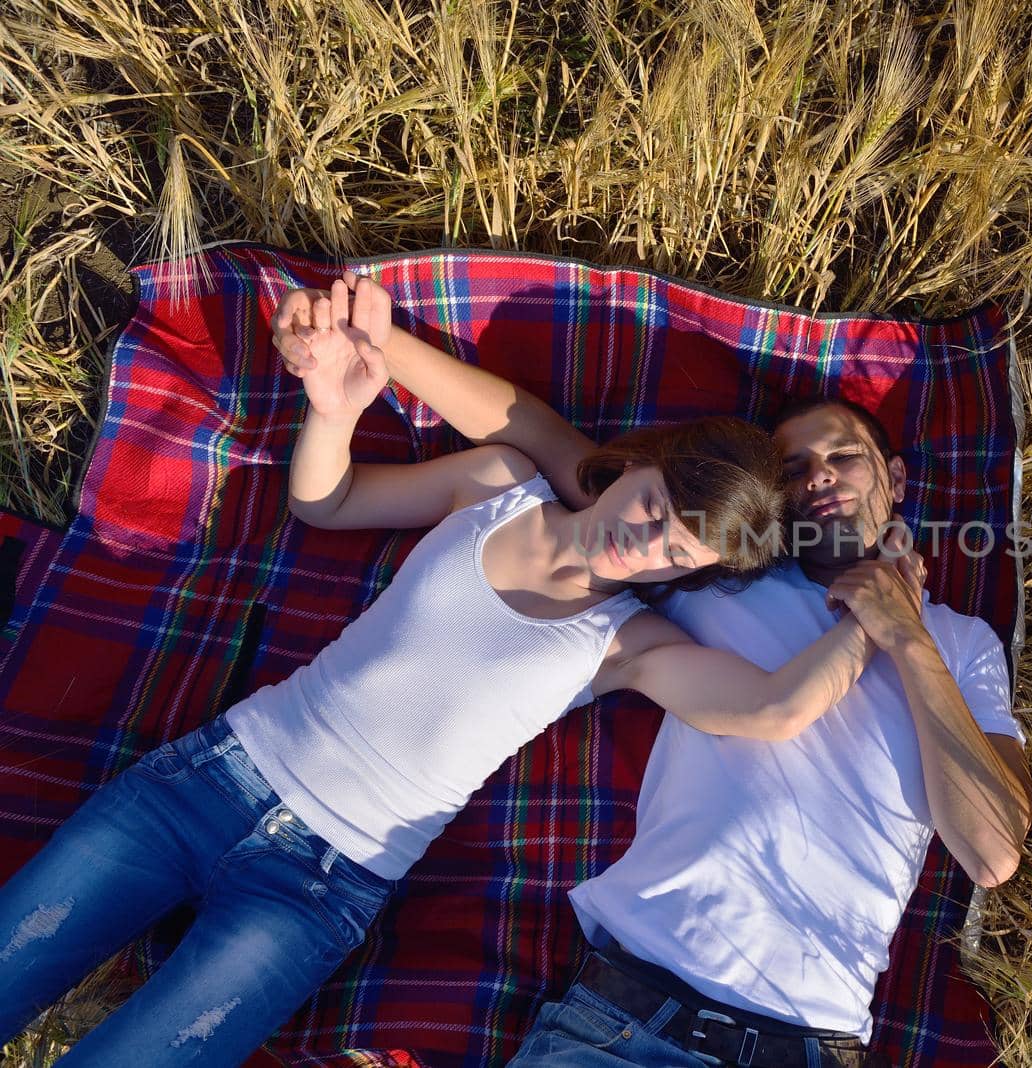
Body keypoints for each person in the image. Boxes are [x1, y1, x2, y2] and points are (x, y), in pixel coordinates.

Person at [0, 278, 901, 1067]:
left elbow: (775, 708)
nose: (648, 539)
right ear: (635, 463)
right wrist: (337, 399)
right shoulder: (503, 485)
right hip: (209, 778)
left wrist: (876, 614)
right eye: (657, 503)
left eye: (679, 549)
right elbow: (331, 502)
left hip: (319, 886)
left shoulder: (628, 645)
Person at [273, 273, 1032, 1068]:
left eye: (845, 455)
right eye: (794, 466)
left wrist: (905, 635)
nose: (818, 475)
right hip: (626, 1017)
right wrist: (375, 342)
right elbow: (540, 437)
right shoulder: (712, 572)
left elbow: (990, 853)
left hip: (805, 1040)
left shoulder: (963, 645)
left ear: (898, 481)